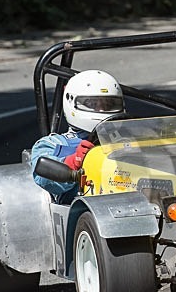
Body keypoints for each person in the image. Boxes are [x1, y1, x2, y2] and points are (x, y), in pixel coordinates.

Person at [31, 69, 124, 202]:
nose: (102, 110)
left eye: (108, 104)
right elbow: (43, 179)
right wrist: (73, 163)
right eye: (92, 104)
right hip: (81, 211)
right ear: (71, 101)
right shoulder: (53, 144)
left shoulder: (125, 139)